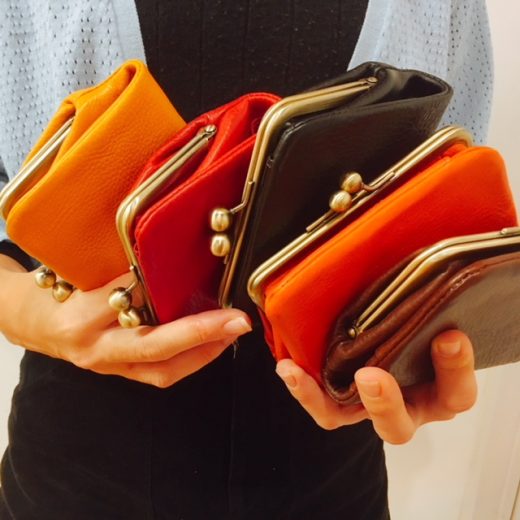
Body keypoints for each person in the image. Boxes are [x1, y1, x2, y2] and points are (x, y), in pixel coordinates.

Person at [0, 1, 492, 518]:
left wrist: (416, 348)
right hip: (73, 478)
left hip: (332, 481)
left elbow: (446, 202)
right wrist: (33, 315)